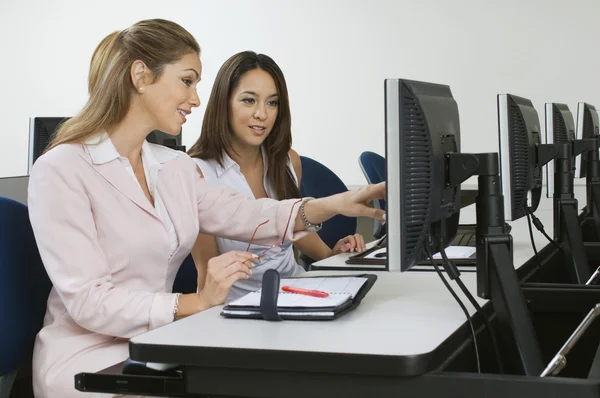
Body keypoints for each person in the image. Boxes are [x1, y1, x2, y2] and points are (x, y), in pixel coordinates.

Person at [27, 19, 385, 397]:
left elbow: (245, 214)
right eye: (187, 80)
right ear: (140, 76)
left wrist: (334, 204)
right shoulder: (61, 169)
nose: (196, 99)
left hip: (160, 343)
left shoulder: (172, 166)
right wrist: (194, 302)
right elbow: (88, 301)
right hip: (89, 357)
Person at [187, 51, 367, 301]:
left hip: (299, 293)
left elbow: (293, 229)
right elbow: (207, 274)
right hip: (242, 306)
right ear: (223, 103)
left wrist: (331, 255)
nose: (262, 113)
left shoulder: (286, 160)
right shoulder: (196, 174)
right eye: (249, 100)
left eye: (272, 103)